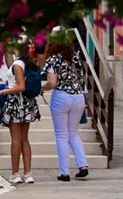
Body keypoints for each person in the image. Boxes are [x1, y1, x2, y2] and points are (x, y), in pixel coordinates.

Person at [0, 38, 40, 184]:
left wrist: (0, 93)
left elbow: (20, 86)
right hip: (27, 104)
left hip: (16, 103)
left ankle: (15, 174)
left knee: (15, 140)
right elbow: (16, 83)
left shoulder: (17, 64)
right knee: (25, 139)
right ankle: (27, 174)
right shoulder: (31, 63)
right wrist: (0, 88)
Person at [42, 37, 89, 182]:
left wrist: (42, 88)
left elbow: (52, 82)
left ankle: (64, 173)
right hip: (78, 97)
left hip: (62, 96)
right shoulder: (75, 58)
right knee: (73, 134)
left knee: (61, 135)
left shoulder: (53, 60)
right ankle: (83, 166)